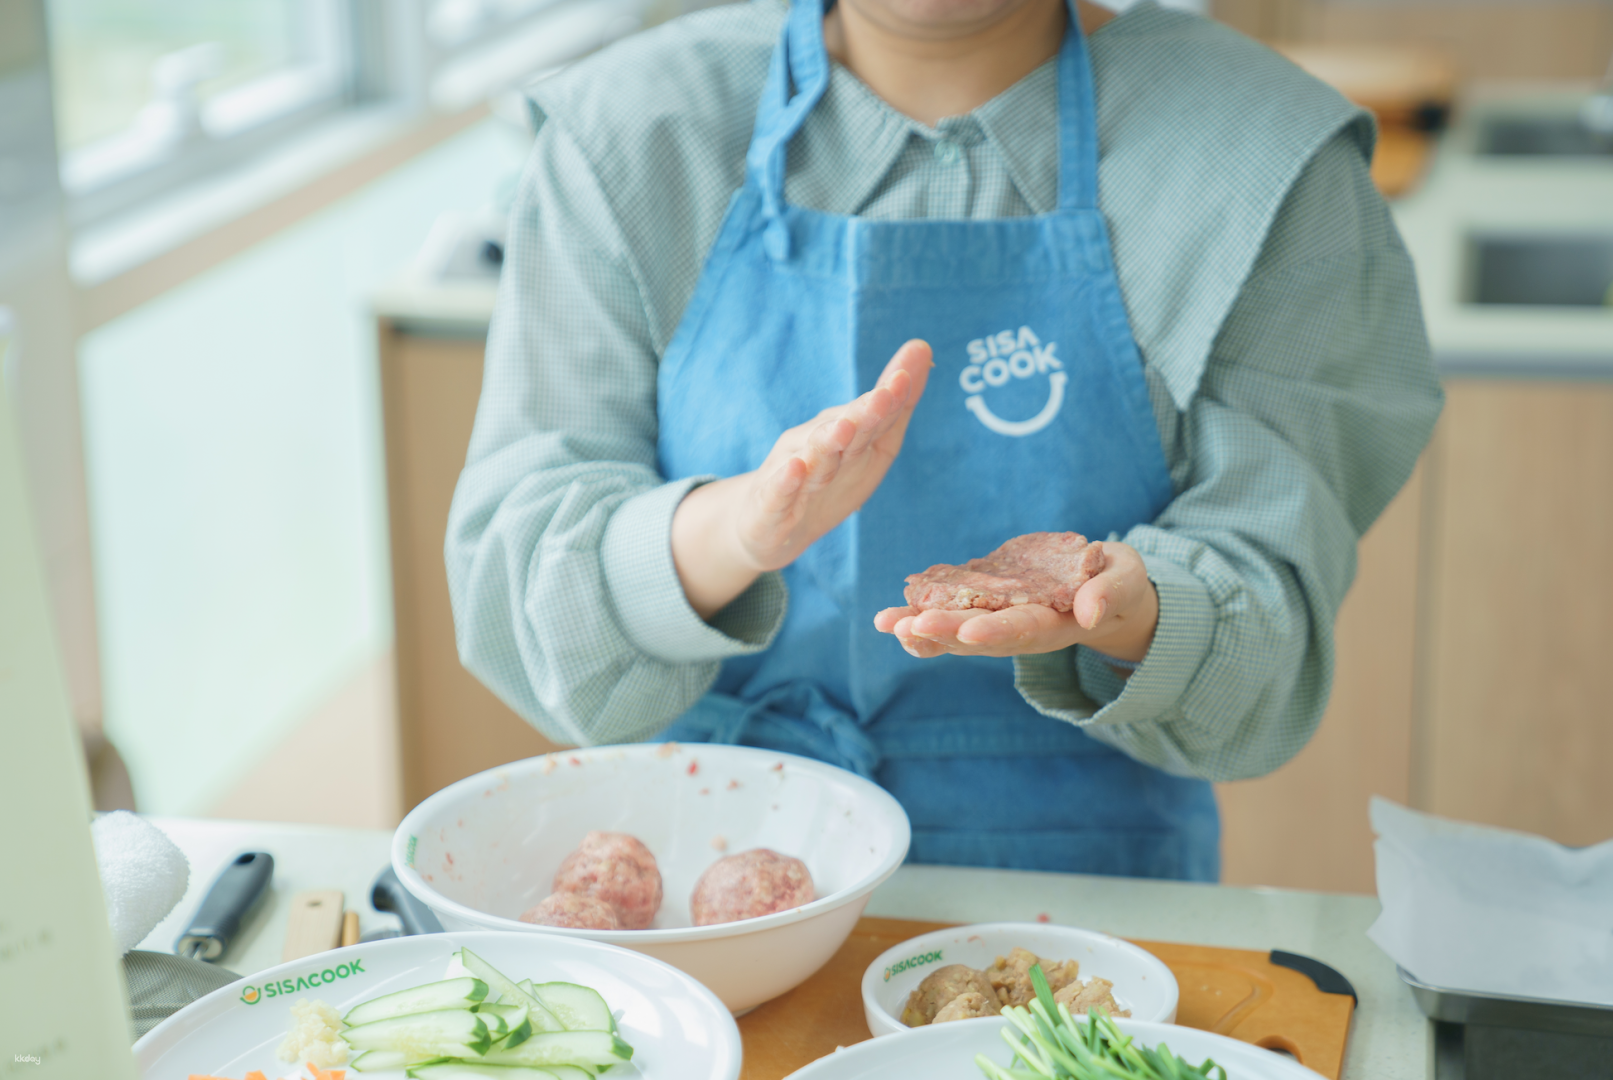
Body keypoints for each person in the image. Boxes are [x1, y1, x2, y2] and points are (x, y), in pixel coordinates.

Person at [445, 0, 1442, 881]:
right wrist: (735, 530)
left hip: (1088, 891)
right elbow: (520, 583)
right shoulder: (626, 134)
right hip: (703, 878)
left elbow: (1266, 631)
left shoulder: (1258, 161)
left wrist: (1131, 611)